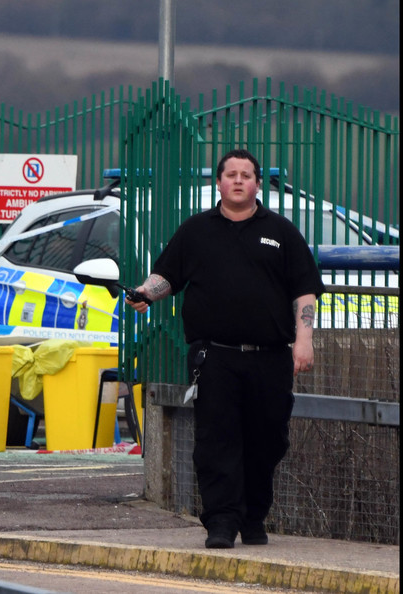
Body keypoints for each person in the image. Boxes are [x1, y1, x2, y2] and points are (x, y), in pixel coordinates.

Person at [125, 149, 324, 549]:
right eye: (230, 174)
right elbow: (166, 275)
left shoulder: (281, 232)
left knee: (268, 439)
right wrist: (147, 292)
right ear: (219, 183)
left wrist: (304, 339)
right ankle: (221, 521)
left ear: (256, 184)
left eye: (246, 175)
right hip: (214, 357)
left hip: (269, 358)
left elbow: (304, 289)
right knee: (217, 440)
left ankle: (253, 516)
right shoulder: (196, 231)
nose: (238, 180)